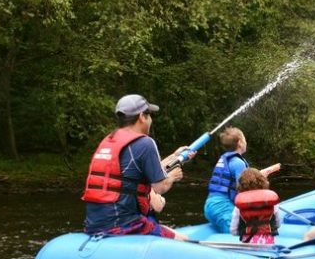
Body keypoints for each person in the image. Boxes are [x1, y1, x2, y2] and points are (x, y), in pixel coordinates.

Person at [82, 94, 188, 241]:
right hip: (124, 224)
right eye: (149, 115)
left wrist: (174, 157)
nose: (151, 120)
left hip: (93, 224)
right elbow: (159, 187)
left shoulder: (109, 140)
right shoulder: (146, 143)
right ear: (142, 117)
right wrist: (172, 177)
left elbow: (130, 176)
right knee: (184, 240)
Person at [204, 127, 249, 233]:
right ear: (240, 143)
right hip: (223, 209)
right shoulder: (239, 163)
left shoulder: (225, 159)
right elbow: (243, 190)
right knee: (236, 238)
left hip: (210, 205)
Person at [230, 168, 281, 244]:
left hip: (248, 242)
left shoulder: (240, 204)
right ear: (263, 182)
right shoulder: (271, 200)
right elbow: (277, 223)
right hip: (268, 242)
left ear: (241, 185)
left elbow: (233, 230)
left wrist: (239, 233)